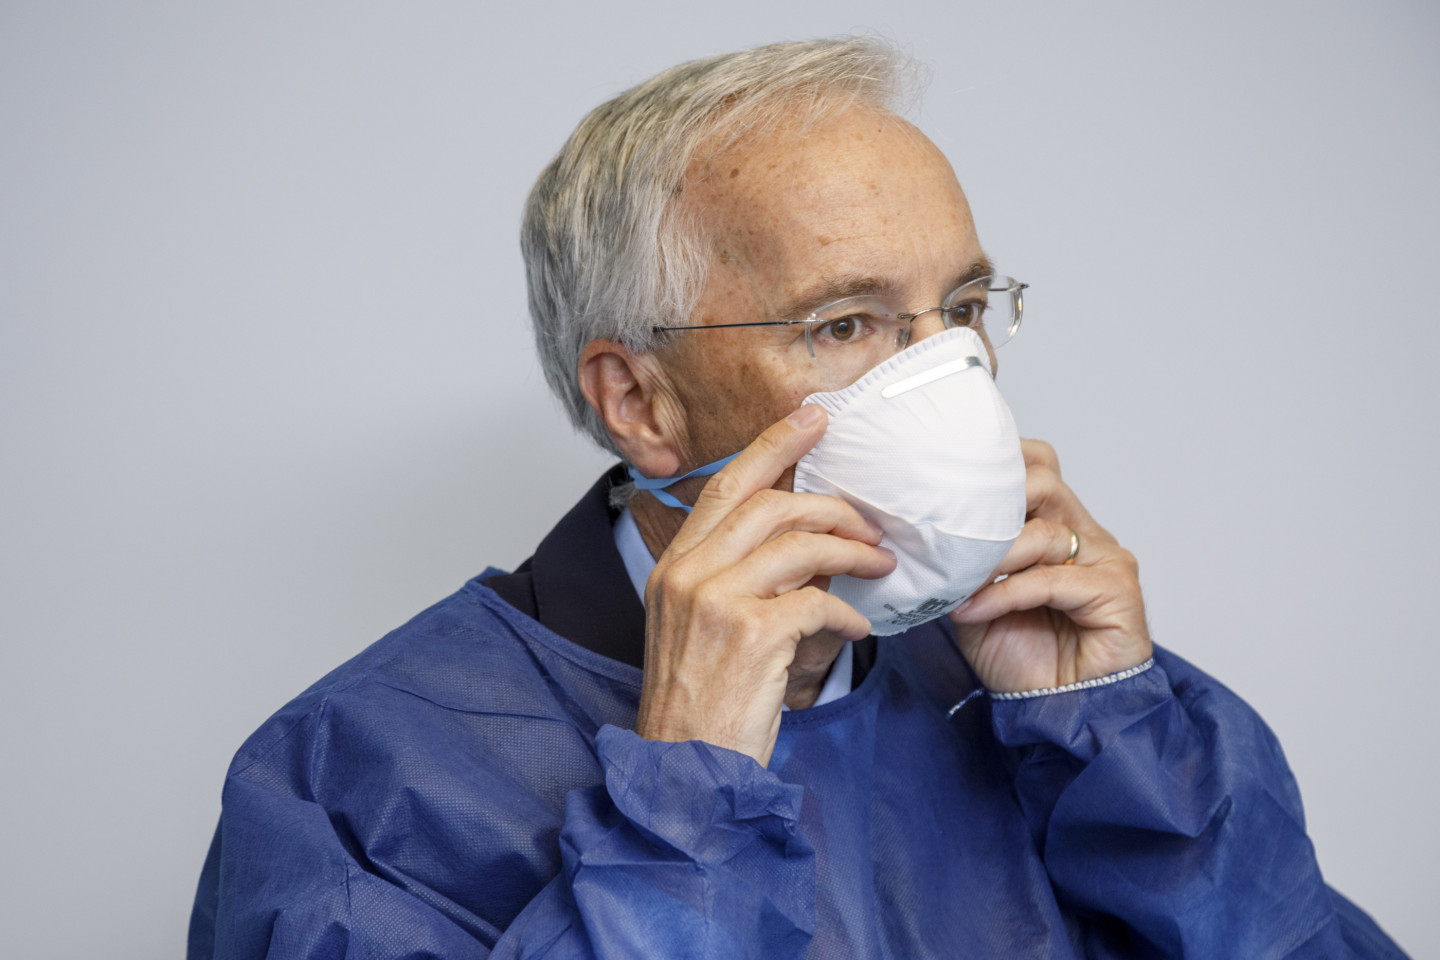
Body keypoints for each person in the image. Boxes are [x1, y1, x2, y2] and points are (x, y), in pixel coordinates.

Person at [188, 37, 1408, 959]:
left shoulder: (1032, 697)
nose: (951, 378)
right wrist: (688, 800)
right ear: (640, 401)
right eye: (845, 324)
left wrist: (1125, 753)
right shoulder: (357, 780)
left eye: (962, 311)